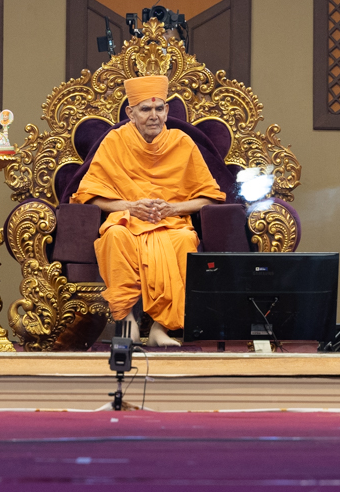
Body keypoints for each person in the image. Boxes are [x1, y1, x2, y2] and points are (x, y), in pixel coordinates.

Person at [71, 74, 226, 347]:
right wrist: (130, 206)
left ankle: (160, 326)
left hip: (171, 224)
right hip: (127, 221)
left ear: (167, 110)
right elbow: (89, 196)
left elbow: (210, 198)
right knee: (114, 237)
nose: (153, 115)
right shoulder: (115, 141)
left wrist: (172, 208)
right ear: (131, 112)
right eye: (145, 109)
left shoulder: (182, 142)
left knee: (185, 240)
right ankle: (127, 319)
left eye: (159, 108)